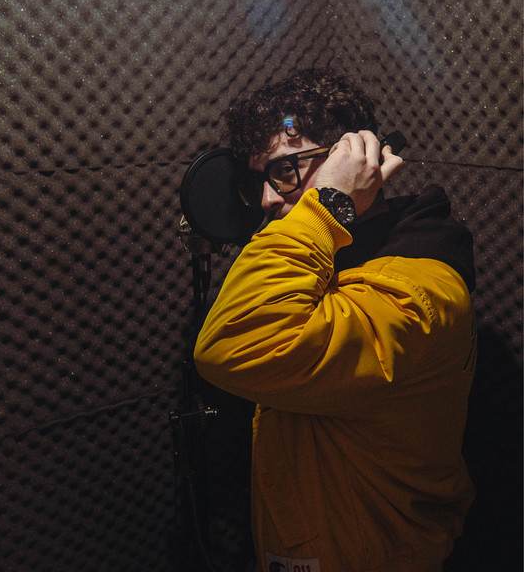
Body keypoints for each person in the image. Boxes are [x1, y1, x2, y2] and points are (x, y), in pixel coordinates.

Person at [194, 69, 476, 572]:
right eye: (260, 180)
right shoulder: (330, 255)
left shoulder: (416, 293)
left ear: (356, 156)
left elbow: (236, 344)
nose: (268, 199)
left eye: (286, 170)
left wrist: (328, 204)